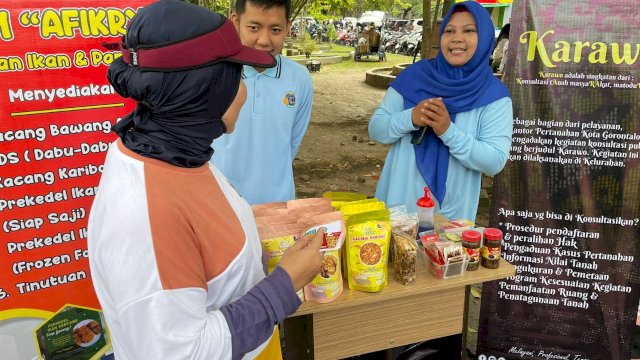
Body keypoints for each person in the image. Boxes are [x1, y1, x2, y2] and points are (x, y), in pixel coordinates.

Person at [88, 1, 323, 359]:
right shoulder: (142, 216)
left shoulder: (179, 155)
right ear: (203, 90)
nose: (244, 90)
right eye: (237, 76)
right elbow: (181, 352)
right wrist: (284, 285)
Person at [368, 1, 513, 221]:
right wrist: (411, 117)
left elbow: (494, 161)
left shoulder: (493, 95)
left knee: (444, 255)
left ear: (484, 37)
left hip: (452, 217)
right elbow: (376, 130)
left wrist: (448, 131)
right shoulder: (414, 77)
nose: (457, 38)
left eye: (469, 30)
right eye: (449, 30)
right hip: (398, 204)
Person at [210, 0, 313, 205]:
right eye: (254, 28)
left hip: (278, 209)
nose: (264, 41)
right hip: (219, 205)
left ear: (288, 28)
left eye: (275, 29)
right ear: (236, 22)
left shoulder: (299, 78)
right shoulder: (212, 74)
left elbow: (291, 144)